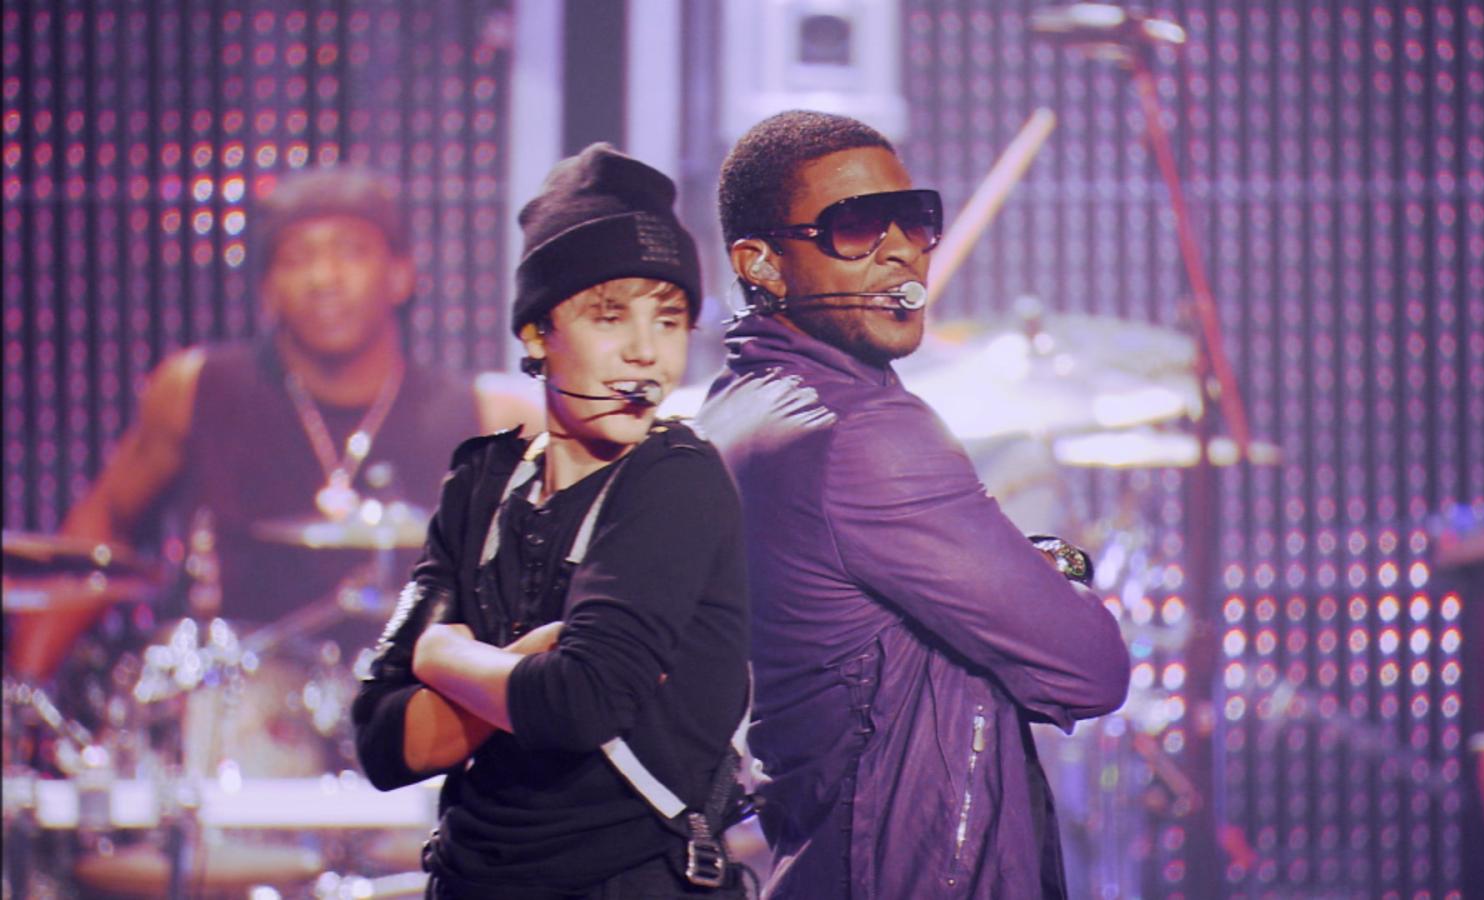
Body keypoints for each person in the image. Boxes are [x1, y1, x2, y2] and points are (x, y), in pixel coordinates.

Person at [697, 110, 1132, 899]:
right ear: (761, 263)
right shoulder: (866, 434)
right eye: (857, 226)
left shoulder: (734, 408)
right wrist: (1057, 566)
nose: (901, 249)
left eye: (915, 219)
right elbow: (1089, 669)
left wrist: (1022, 563)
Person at [351, 143, 751, 899]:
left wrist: (444, 656)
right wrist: (518, 669)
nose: (646, 352)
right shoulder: (481, 484)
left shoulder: (675, 479)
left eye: (669, 321)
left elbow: (579, 704)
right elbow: (381, 741)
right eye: (610, 316)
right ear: (538, 332)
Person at [59, 164, 542, 631]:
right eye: (295, 258)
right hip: (238, 678)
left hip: (416, 682)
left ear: (400, 274)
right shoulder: (197, 389)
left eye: (350, 252)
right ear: (267, 290)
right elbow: (104, 524)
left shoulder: (486, 417)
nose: (323, 279)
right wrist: (29, 676)